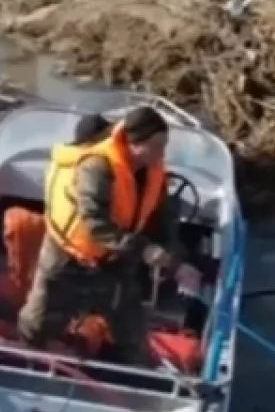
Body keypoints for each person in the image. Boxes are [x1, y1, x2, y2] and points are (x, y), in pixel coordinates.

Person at [18, 106, 203, 365]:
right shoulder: (96, 168)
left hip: (116, 261)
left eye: (165, 145)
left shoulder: (153, 170)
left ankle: (130, 377)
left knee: (131, 331)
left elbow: (161, 219)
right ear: (133, 143)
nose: (162, 153)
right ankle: (32, 367)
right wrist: (148, 252)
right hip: (67, 259)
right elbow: (95, 224)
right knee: (36, 323)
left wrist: (177, 263)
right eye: (156, 146)